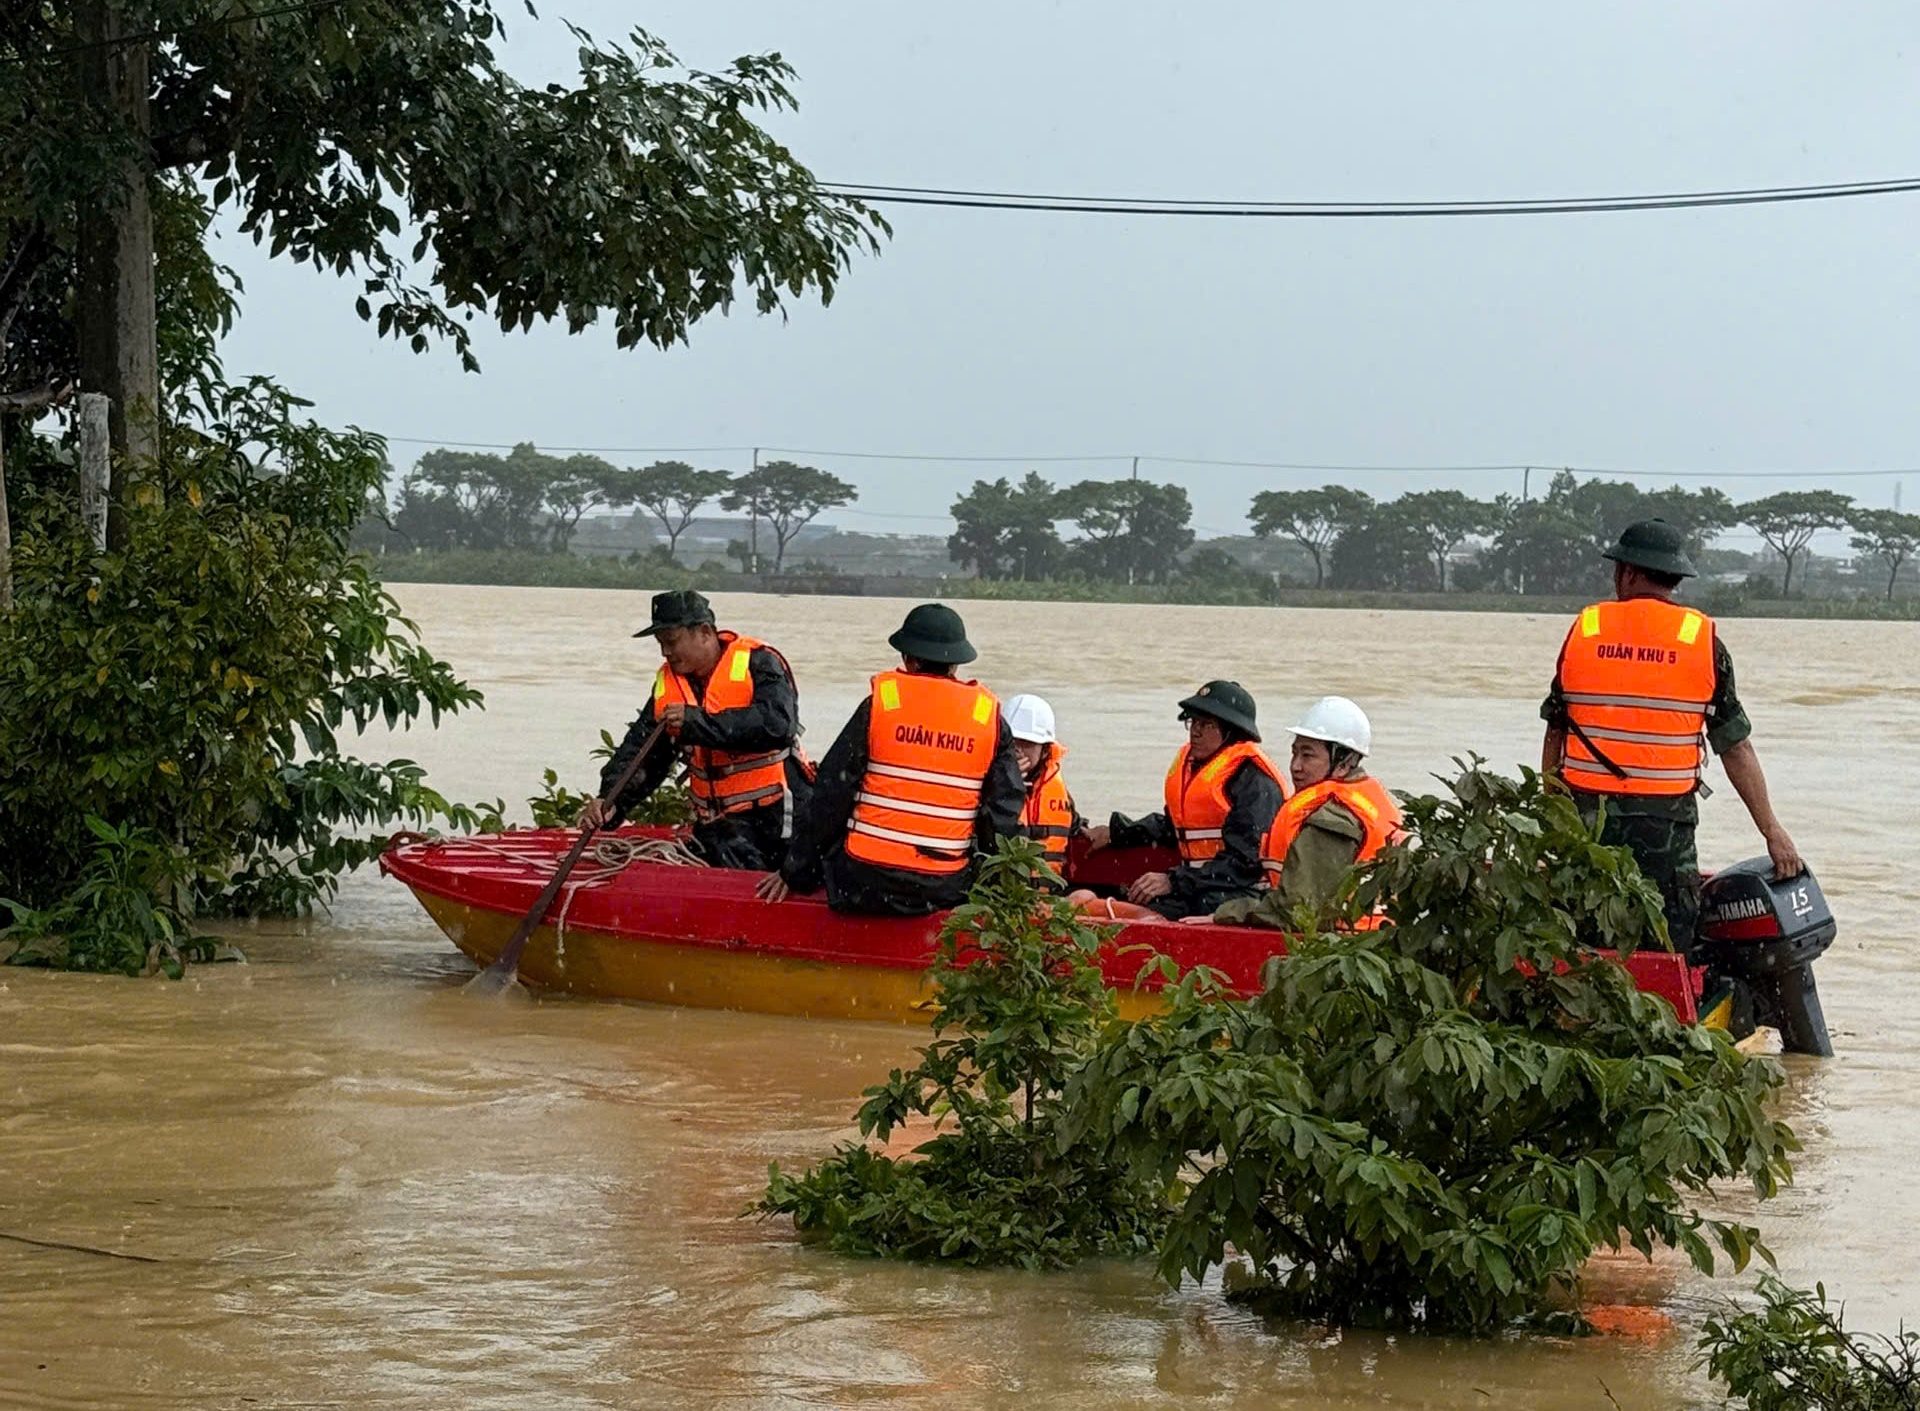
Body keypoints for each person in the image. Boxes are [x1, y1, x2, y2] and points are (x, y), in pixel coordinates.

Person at [1541, 518, 1804, 956]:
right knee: (1667, 943)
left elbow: (1556, 730)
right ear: (1674, 578)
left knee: (1583, 941)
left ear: (1626, 572)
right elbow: (1735, 747)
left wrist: (1548, 815)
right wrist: (1772, 831)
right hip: (1665, 831)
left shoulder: (1585, 631)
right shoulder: (1701, 640)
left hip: (1585, 824)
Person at [758, 603, 1025, 916]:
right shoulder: (988, 718)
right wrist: (998, 892)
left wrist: (794, 871)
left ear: (908, 659)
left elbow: (831, 795)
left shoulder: (880, 706)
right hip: (943, 889)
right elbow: (1003, 814)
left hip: (864, 883)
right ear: (955, 665)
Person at [580, 590, 810, 871]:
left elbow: (776, 726)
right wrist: (612, 801)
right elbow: (643, 751)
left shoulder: (759, 663)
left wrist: (696, 723)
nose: (665, 652)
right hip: (719, 827)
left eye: (672, 641)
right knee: (719, 848)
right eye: (660, 643)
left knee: (737, 861)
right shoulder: (671, 686)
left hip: (776, 821)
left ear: (704, 632)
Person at [1077, 680, 1287, 920]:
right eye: (1193, 721)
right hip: (1203, 885)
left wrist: (1173, 880)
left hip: (1242, 895)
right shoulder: (1196, 766)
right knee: (1140, 901)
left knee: (1151, 912)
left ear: (1232, 731)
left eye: (1206, 724)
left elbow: (1245, 863)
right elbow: (1173, 826)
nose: (1194, 731)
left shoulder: (1254, 782)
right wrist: (1118, 833)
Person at [1215, 696, 1402, 928]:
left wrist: (1228, 912)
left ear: (1344, 763)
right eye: (1295, 753)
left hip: (1340, 948)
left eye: (1308, 755)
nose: (1295, 766)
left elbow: (1298, 910)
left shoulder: (1333, 819)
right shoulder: (1371, 801)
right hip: (1375, 936)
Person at [1002, 693, 1085, 877]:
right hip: (1001, 896)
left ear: (1045, 749)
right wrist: (1007, 784)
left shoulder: (1054, 786)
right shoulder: (987, 784)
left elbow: (1074, 825)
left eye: (1028, 744)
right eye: (1013, 743)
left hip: (1047, 896)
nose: (1019, 751)